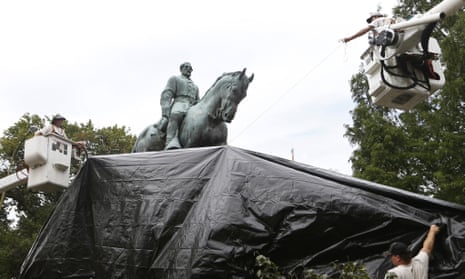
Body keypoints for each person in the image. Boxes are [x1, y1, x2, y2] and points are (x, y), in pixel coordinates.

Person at [160, 62, 199, 150]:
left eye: (190, 68)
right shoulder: (175, 79)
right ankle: (171, 141)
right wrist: (165, 112)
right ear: (181, 69)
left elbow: (198, 100)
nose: (189, 69)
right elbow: (167, 94)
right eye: (186, 67)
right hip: (179, 103)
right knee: (176, 114)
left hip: (192, 107)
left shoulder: (195, 87)